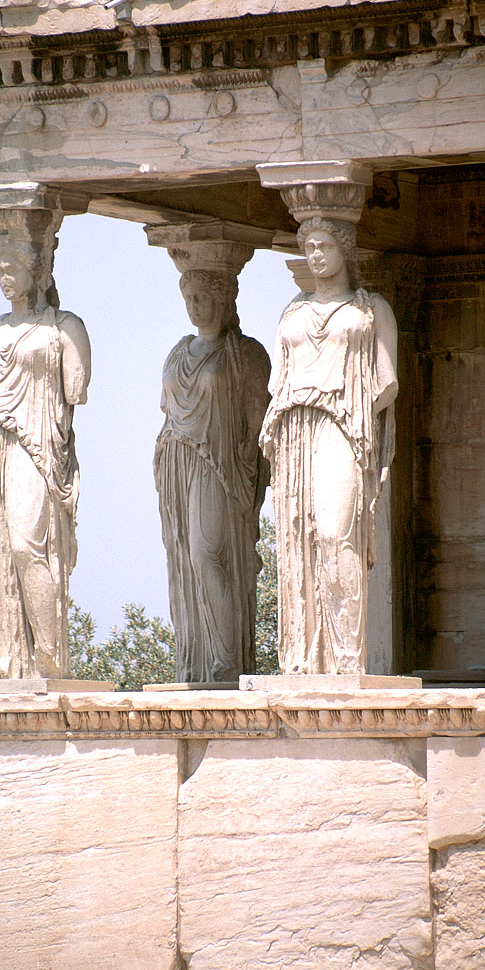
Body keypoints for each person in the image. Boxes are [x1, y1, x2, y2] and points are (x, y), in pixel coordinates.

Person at [259, 217, 397, 674]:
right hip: (295, 428)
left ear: (345, 251)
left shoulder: (371, 309)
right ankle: (306, 658)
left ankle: (347, 658)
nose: (316, 254)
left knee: (336, 531)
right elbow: (278, 381)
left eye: (324, 246)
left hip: (345, 423)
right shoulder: (292, 313)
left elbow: (386, 381)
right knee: (300, 535)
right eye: (310, 247)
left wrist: (348, 404)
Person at [0, 219, 91, 678]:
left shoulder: (65, 327)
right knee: (1, 548)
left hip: (38, 443)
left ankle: (51, 653)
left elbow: (76, 390)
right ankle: (11, 657)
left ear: (37, 269)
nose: (4, 276)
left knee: (26, 544)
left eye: (13, 266)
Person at [155, 270, 270, 682]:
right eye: (189, 296)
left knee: (208, 554)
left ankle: (227, 657)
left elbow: (260, 421)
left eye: (202, 296)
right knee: (186, 557)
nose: (194, 305)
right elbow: (167, 411)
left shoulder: (246, 354)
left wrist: (252, 461)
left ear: (225, 300)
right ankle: (198, 660)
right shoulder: (177, 353)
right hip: (177, 462)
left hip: (219, 467)